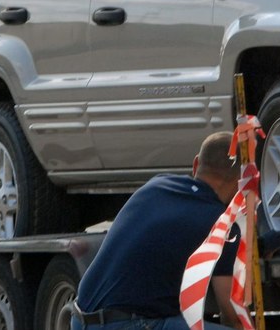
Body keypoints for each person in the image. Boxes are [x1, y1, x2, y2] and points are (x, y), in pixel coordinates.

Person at [73, 131, 242, 330]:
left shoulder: (156, 185)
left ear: (196, 164)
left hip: (80, 319)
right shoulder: (222, 224)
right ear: (240, 182)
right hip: (130, 324)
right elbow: (231, 312)